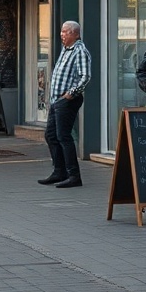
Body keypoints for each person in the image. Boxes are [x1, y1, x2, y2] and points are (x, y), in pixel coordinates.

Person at [38, 21, 91, 189]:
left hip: (67, 100)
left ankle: (74, 175)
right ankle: (59, 171)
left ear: (76, 34)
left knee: (63, 136)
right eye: (62, 31)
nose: (62, 35)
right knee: (51, 135)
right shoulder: (66, 49)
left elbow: (85, 76)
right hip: (56, 100)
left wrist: (71, 93)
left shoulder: (80, 51)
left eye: (66, 32)